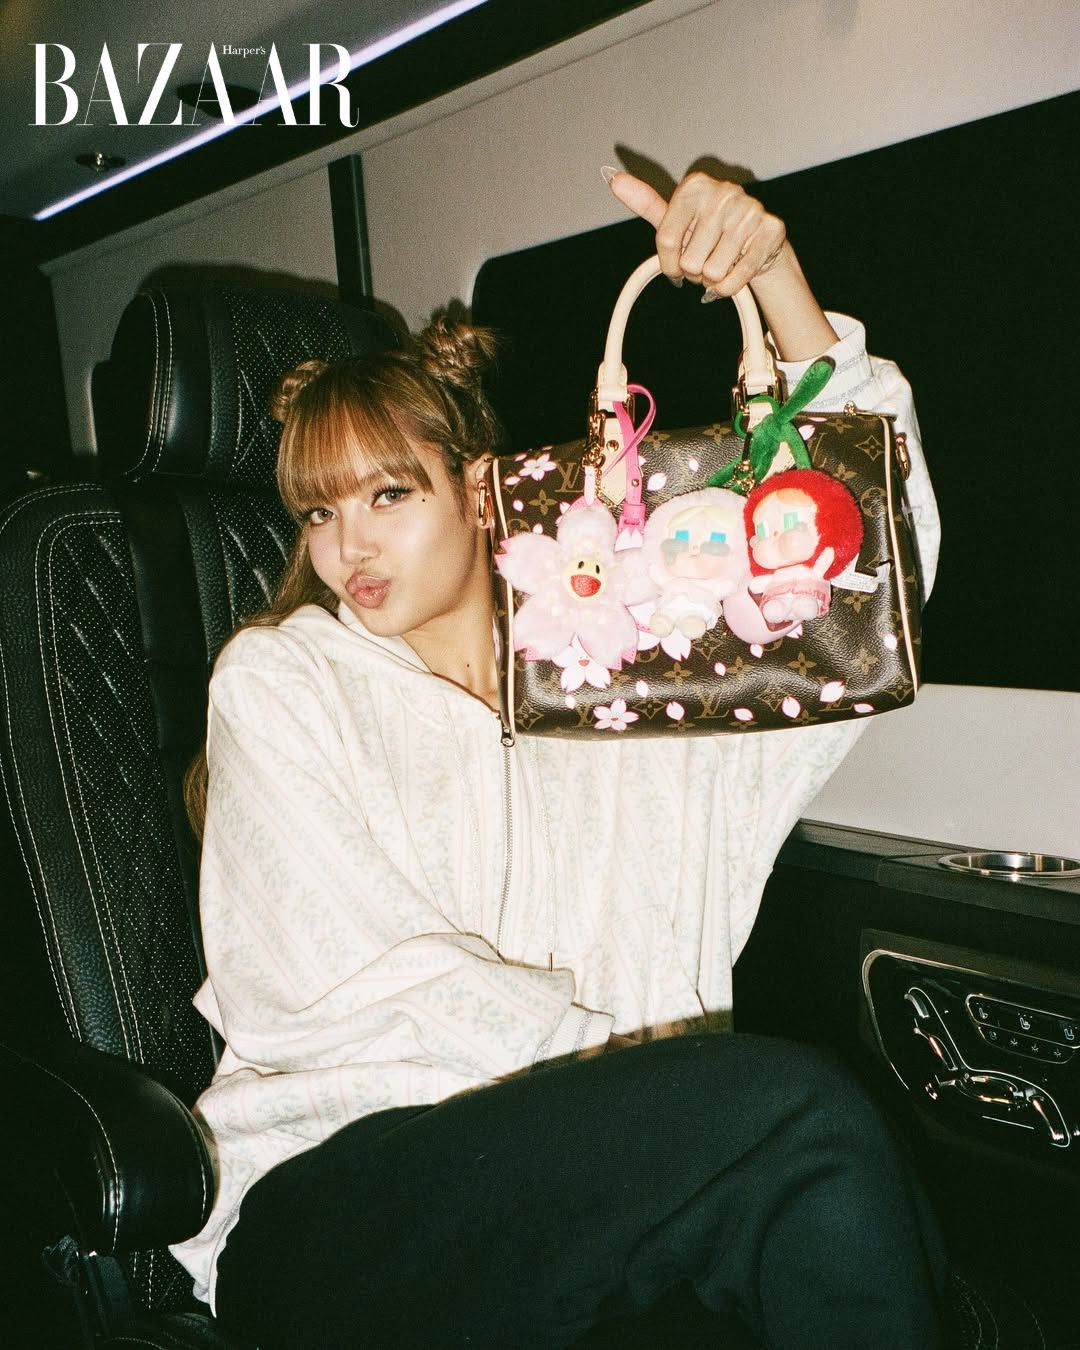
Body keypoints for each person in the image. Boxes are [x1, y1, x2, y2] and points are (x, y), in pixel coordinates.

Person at [172, 170, 944, 1349]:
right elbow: (343, 975)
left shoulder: (630, 663)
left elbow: (862, 581)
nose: (347, 546)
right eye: (318, 512)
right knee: (802, 1123)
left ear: (481, 490)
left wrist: (778, 284)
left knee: (832, 1220)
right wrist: (646, 1075)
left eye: (387, 494)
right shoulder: (282, 683)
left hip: (599, 1200)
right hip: (334, 1197)